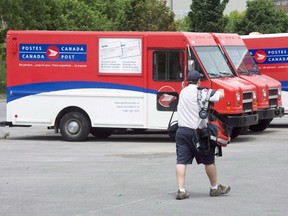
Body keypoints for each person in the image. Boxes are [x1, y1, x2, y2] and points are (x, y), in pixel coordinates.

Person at [175, 70, 230, 200]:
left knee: (181, 161)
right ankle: (214, 188)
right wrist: (221, 90)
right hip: (199, 133)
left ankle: (181, 190)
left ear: (188, 81)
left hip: (182, 131)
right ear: (199, 81)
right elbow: (220, 95)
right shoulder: (203, 92)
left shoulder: (183, 92)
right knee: (209, 160)